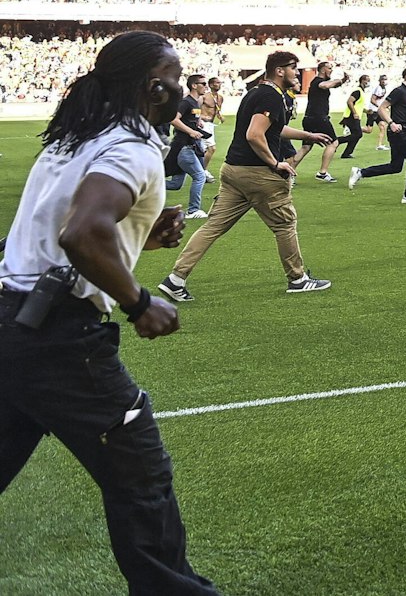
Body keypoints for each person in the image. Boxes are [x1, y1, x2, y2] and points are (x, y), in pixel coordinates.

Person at [0, 30, 219, 596]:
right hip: (61, 340)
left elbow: (61, 235)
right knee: (139, 475)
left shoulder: (72, 138)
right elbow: (82, 233)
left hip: (12, 320)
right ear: (153, 88)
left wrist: (140, 238)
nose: (182, 90)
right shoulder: (131, 147)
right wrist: (141, 302)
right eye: (175, 80)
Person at [159, 50, 334, 300]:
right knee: (284, 224)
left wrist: (307, 136)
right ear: (279, 70)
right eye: (294, 67)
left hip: (233, 170)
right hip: (259, 174)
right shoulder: (272, 97)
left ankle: (175, 279)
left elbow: (271, 127)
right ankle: (298, 279)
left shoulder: (257, 92)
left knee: (212, 227)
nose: (297, 72)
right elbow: (255, 134)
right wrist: (276, 163)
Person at [348, 63, 406, 204]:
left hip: (405, 130)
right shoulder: (399, 91)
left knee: (395, 167)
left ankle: (361, 172)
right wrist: (392, 123)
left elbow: (405, 112)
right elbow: (382, 108)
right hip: (399, 132)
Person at [161, 74, 213, 220]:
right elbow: (173, 119)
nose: (206, 86)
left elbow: (189, 119)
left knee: (176, 184)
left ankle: (145, 187)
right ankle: (193, 210)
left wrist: (198, 123)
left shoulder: (196, 102)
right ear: (194, 85)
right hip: (185, 147)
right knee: (200, 176)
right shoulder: (186, 102)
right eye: (203, 83)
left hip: (188, 146)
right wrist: (191, 131)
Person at [300, 58, 348, 182]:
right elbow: (326, 85)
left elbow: (332, 85)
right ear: (322, 69)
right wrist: (340, 80)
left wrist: (342, 81)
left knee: (306, 147)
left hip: (309, 118)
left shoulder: (316, 82)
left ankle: (288, 174)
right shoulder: (318, 81)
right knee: (333, 143)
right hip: (319, 119)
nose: (331, 70)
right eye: (329, 68)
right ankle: (322, 173)